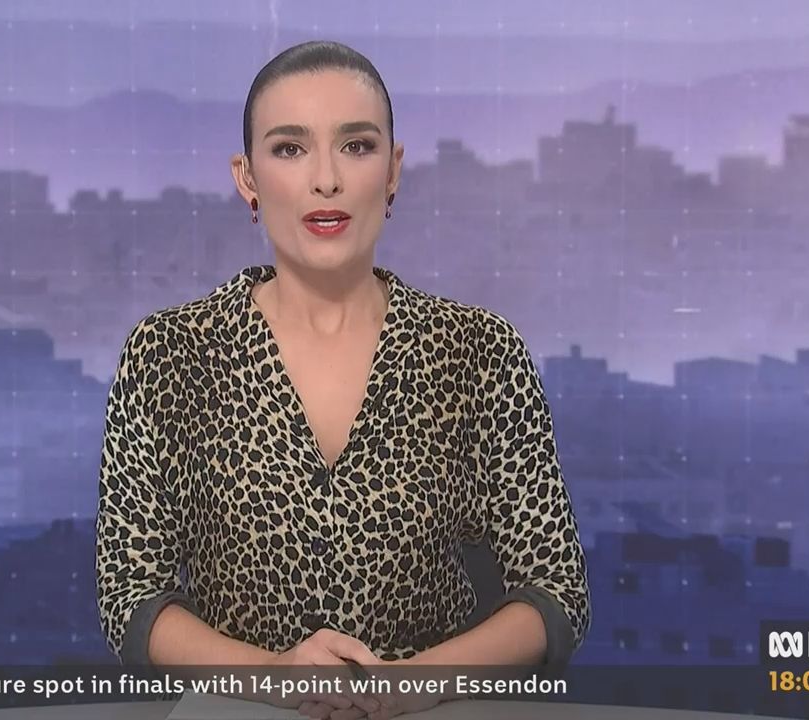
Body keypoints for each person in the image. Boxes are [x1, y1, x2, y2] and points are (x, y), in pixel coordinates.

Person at [97, 40, 591, 720]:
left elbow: (557, 591)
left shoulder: (479, 350)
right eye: (290, 149)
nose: (326, 179)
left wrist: (409, 683)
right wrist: (272, 676)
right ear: (246, 177)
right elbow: (130, 597)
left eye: (356, 146)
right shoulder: (169, 354)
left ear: (393, 171)